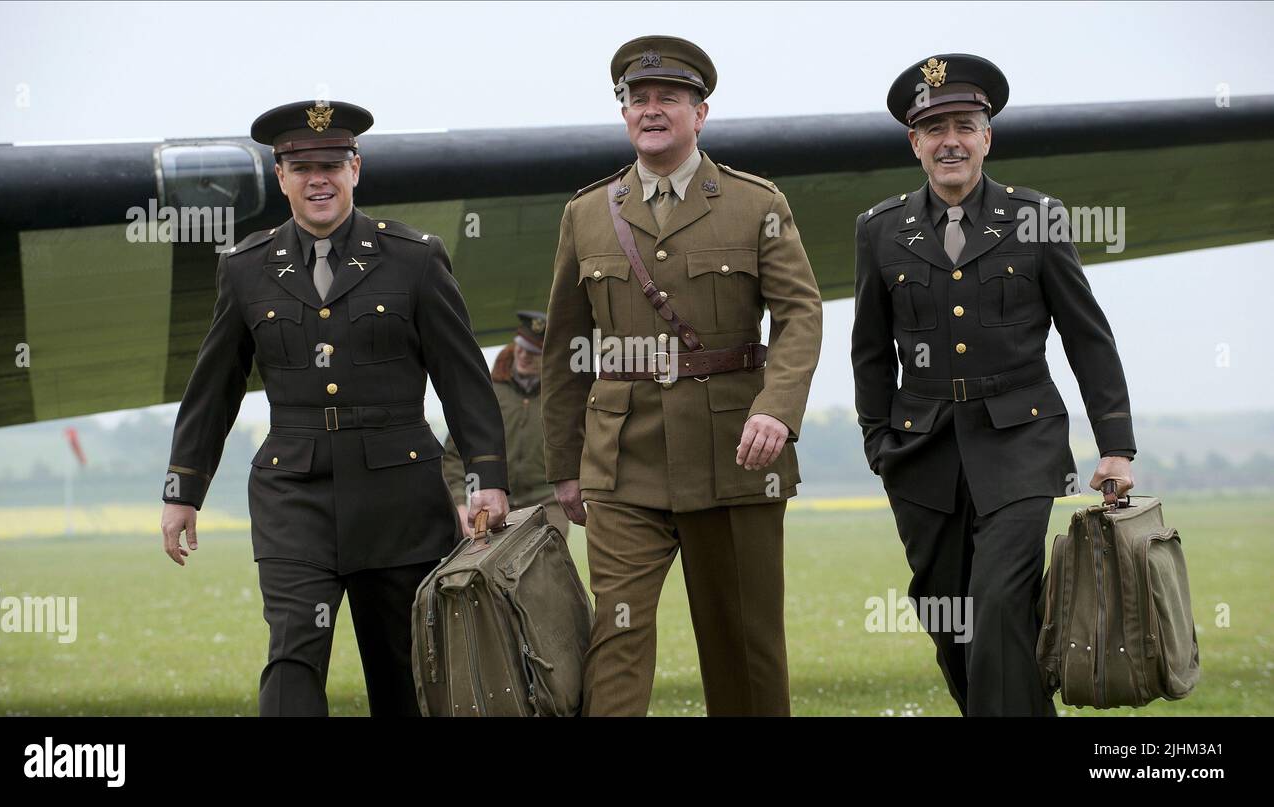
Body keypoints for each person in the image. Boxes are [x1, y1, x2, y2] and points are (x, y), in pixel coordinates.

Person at [158, 99, 509, 716]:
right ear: (280, 177)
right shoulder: (245, 269)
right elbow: (214, 387)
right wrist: (183, 488)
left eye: (331, 163)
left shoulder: (414, 259)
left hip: (399, 500)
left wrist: (486, 478)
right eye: (301, 166)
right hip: (295, 496)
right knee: (292, 654)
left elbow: (464, 380)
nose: (317, 178)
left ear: (356, 169)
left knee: (405, 671)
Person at [542, 36, 823, 716]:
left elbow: (800, 314)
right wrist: (565, 465)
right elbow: (564, 348)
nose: (652, 110)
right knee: (616, 636)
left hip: (734, 452)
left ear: (702, 113)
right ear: (625, 116)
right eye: (638, 100)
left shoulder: (756, 204)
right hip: (622, 457)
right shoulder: (586, 213)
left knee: (744, 648)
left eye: (669, 97)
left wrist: (777, 410)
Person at [851, 54, 1138, 716]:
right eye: (935, 127)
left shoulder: (1037, 217)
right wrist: (878, 443)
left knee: (1002, 602)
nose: (950, 139)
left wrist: (1115, 444)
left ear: (987, 135)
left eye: (965, 123)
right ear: (914, 141)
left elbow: (1086, 336)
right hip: (921, 455)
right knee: (950, 619)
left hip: (1020, 443)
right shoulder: (880, 229)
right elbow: (871, 350)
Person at [442, 310, 568, 538]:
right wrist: (459, 504)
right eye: (520, 345)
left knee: (546, 563)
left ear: (549, 357)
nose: (523, 355)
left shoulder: (562, 400)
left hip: (547, 503)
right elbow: (453, 456)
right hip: (494, 501)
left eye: (534, 351)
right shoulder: (487, 393)